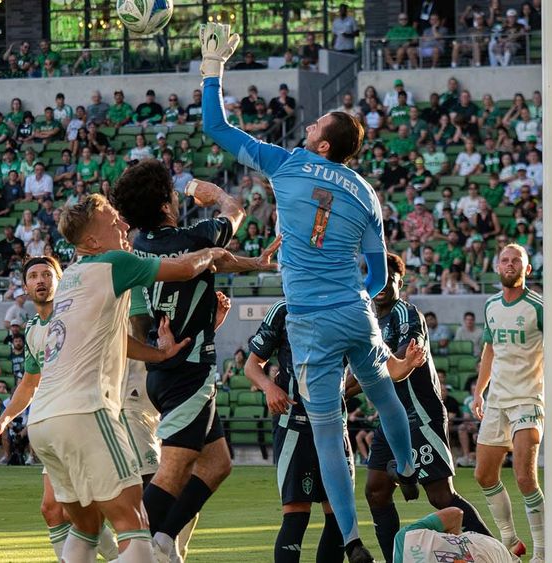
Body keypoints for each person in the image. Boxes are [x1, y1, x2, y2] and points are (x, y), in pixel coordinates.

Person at [200, 22, 425, 563]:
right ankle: (410, 466)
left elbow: (216, 126)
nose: (308, 123)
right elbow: (377, 274)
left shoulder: (290, 163)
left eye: (317, 121)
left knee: (328, 433)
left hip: (308, 319)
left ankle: (350, 540)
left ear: (323, 144)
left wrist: (213, 70)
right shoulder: (367, 193)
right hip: (354, 310)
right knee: (383, 392)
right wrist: (361, 304)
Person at [24, 194, 226, 562]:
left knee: (84, 529)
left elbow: (116, 338)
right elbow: (183, 269)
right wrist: (212, 252)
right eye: (113, 221)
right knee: (136, 529)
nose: (124, 225)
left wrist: (161, 353)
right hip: (86, 412)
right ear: (92, 241)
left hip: (43, 422)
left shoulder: (71, 277)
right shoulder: (114, 262)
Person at [112, 159, 279, 560]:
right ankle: (134, 551)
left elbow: (213, 258)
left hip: (167, 371)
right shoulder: (194, 236)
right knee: (173, 470)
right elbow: (235, 212)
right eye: (172, 191)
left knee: (217, 463)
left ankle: (164, 541)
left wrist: (255, 264)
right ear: (167, 204)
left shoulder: (144, 247)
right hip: (187, 374)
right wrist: (215, 194)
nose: (176, 194)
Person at [0, 256, 118, 560]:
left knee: (90, 509)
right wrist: (4, 421)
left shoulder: (78, 315)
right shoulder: (31, 330)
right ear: (26, 286)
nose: (40, 280)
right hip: (54, 422)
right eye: (33, 276)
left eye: (47, 274)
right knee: (52, 509)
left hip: (85, 416)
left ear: (60, 281)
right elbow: (30, 382)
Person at [366, 254, 492, 562]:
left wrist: (349, 385)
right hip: (391, 415)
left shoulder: (406, 313)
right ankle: (392, 558)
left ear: (400, 281)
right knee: (376, 490)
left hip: (419, 412)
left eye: (389, 279)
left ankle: (493, 551)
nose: (381, 286)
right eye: (375, 278)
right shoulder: (369, 320)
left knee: (440, 496)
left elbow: (401, 358)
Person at [244, 298, 348, 563]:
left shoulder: (349, 307)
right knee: (296, 515)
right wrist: (270, 387)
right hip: (294, 426)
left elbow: (370, 367)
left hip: (336, 427)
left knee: (340, 518)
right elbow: (252, 365)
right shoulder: (284, 309)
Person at [469, 245, 544, 561]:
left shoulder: (540, 307)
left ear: (527, 269)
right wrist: (479, 391)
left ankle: (543, 551)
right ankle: (511, 542)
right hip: (497, 400)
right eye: (505, 260)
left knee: (525, 477)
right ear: (497, 267)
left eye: (517, 261)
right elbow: (490, 350)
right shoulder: (490, 306)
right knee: (484, 476)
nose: (510, 264)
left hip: (529, 398)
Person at [394, 507, 517, 563]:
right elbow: (455, 513)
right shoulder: (404, 536)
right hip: (490, 546)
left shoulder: (405, 536)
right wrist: (453, 542)